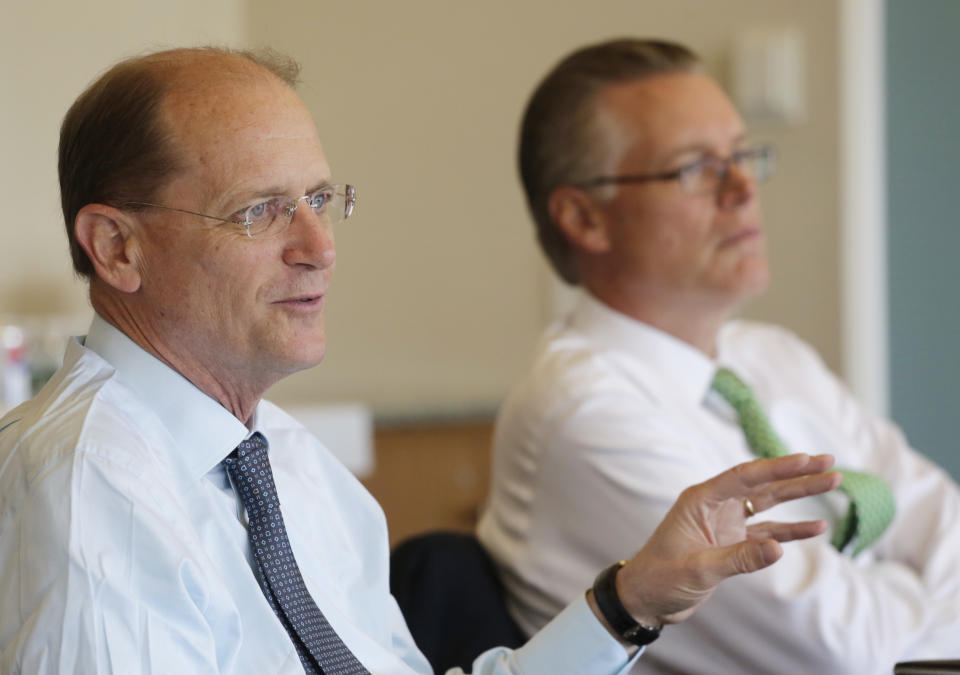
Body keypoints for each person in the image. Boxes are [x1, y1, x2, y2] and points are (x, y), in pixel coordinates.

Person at [0, 46, 840, 674]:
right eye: (260, 211)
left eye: (321, 200)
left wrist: (628, 603)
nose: (320, 247)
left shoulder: (292, 466)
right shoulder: (85, 486)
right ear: (116, 246)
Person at [476, 37, 960, 675]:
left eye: (742, 155)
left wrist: (881, 596)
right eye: (696, 168)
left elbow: (937, 515)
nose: (742, 188)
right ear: (585, 218)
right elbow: (842, 654)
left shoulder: (771, 355)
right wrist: (907, 581)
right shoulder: (582, 410)